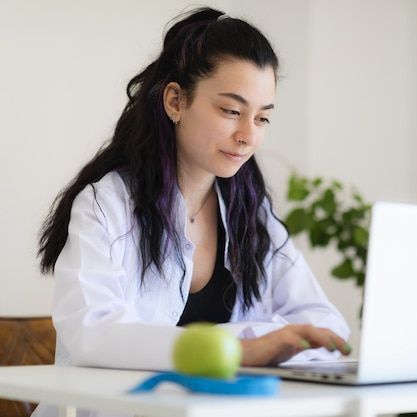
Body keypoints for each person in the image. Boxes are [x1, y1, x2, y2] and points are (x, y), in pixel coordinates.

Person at [34, 7, 350, 416]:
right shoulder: (107, 204)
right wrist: (242, 349)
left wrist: (261, 346)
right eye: (231, 111)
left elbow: (327, 329)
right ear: (175, 101)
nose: (248, 135)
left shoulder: (251, 215)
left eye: (263, 117)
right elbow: (93, 334)